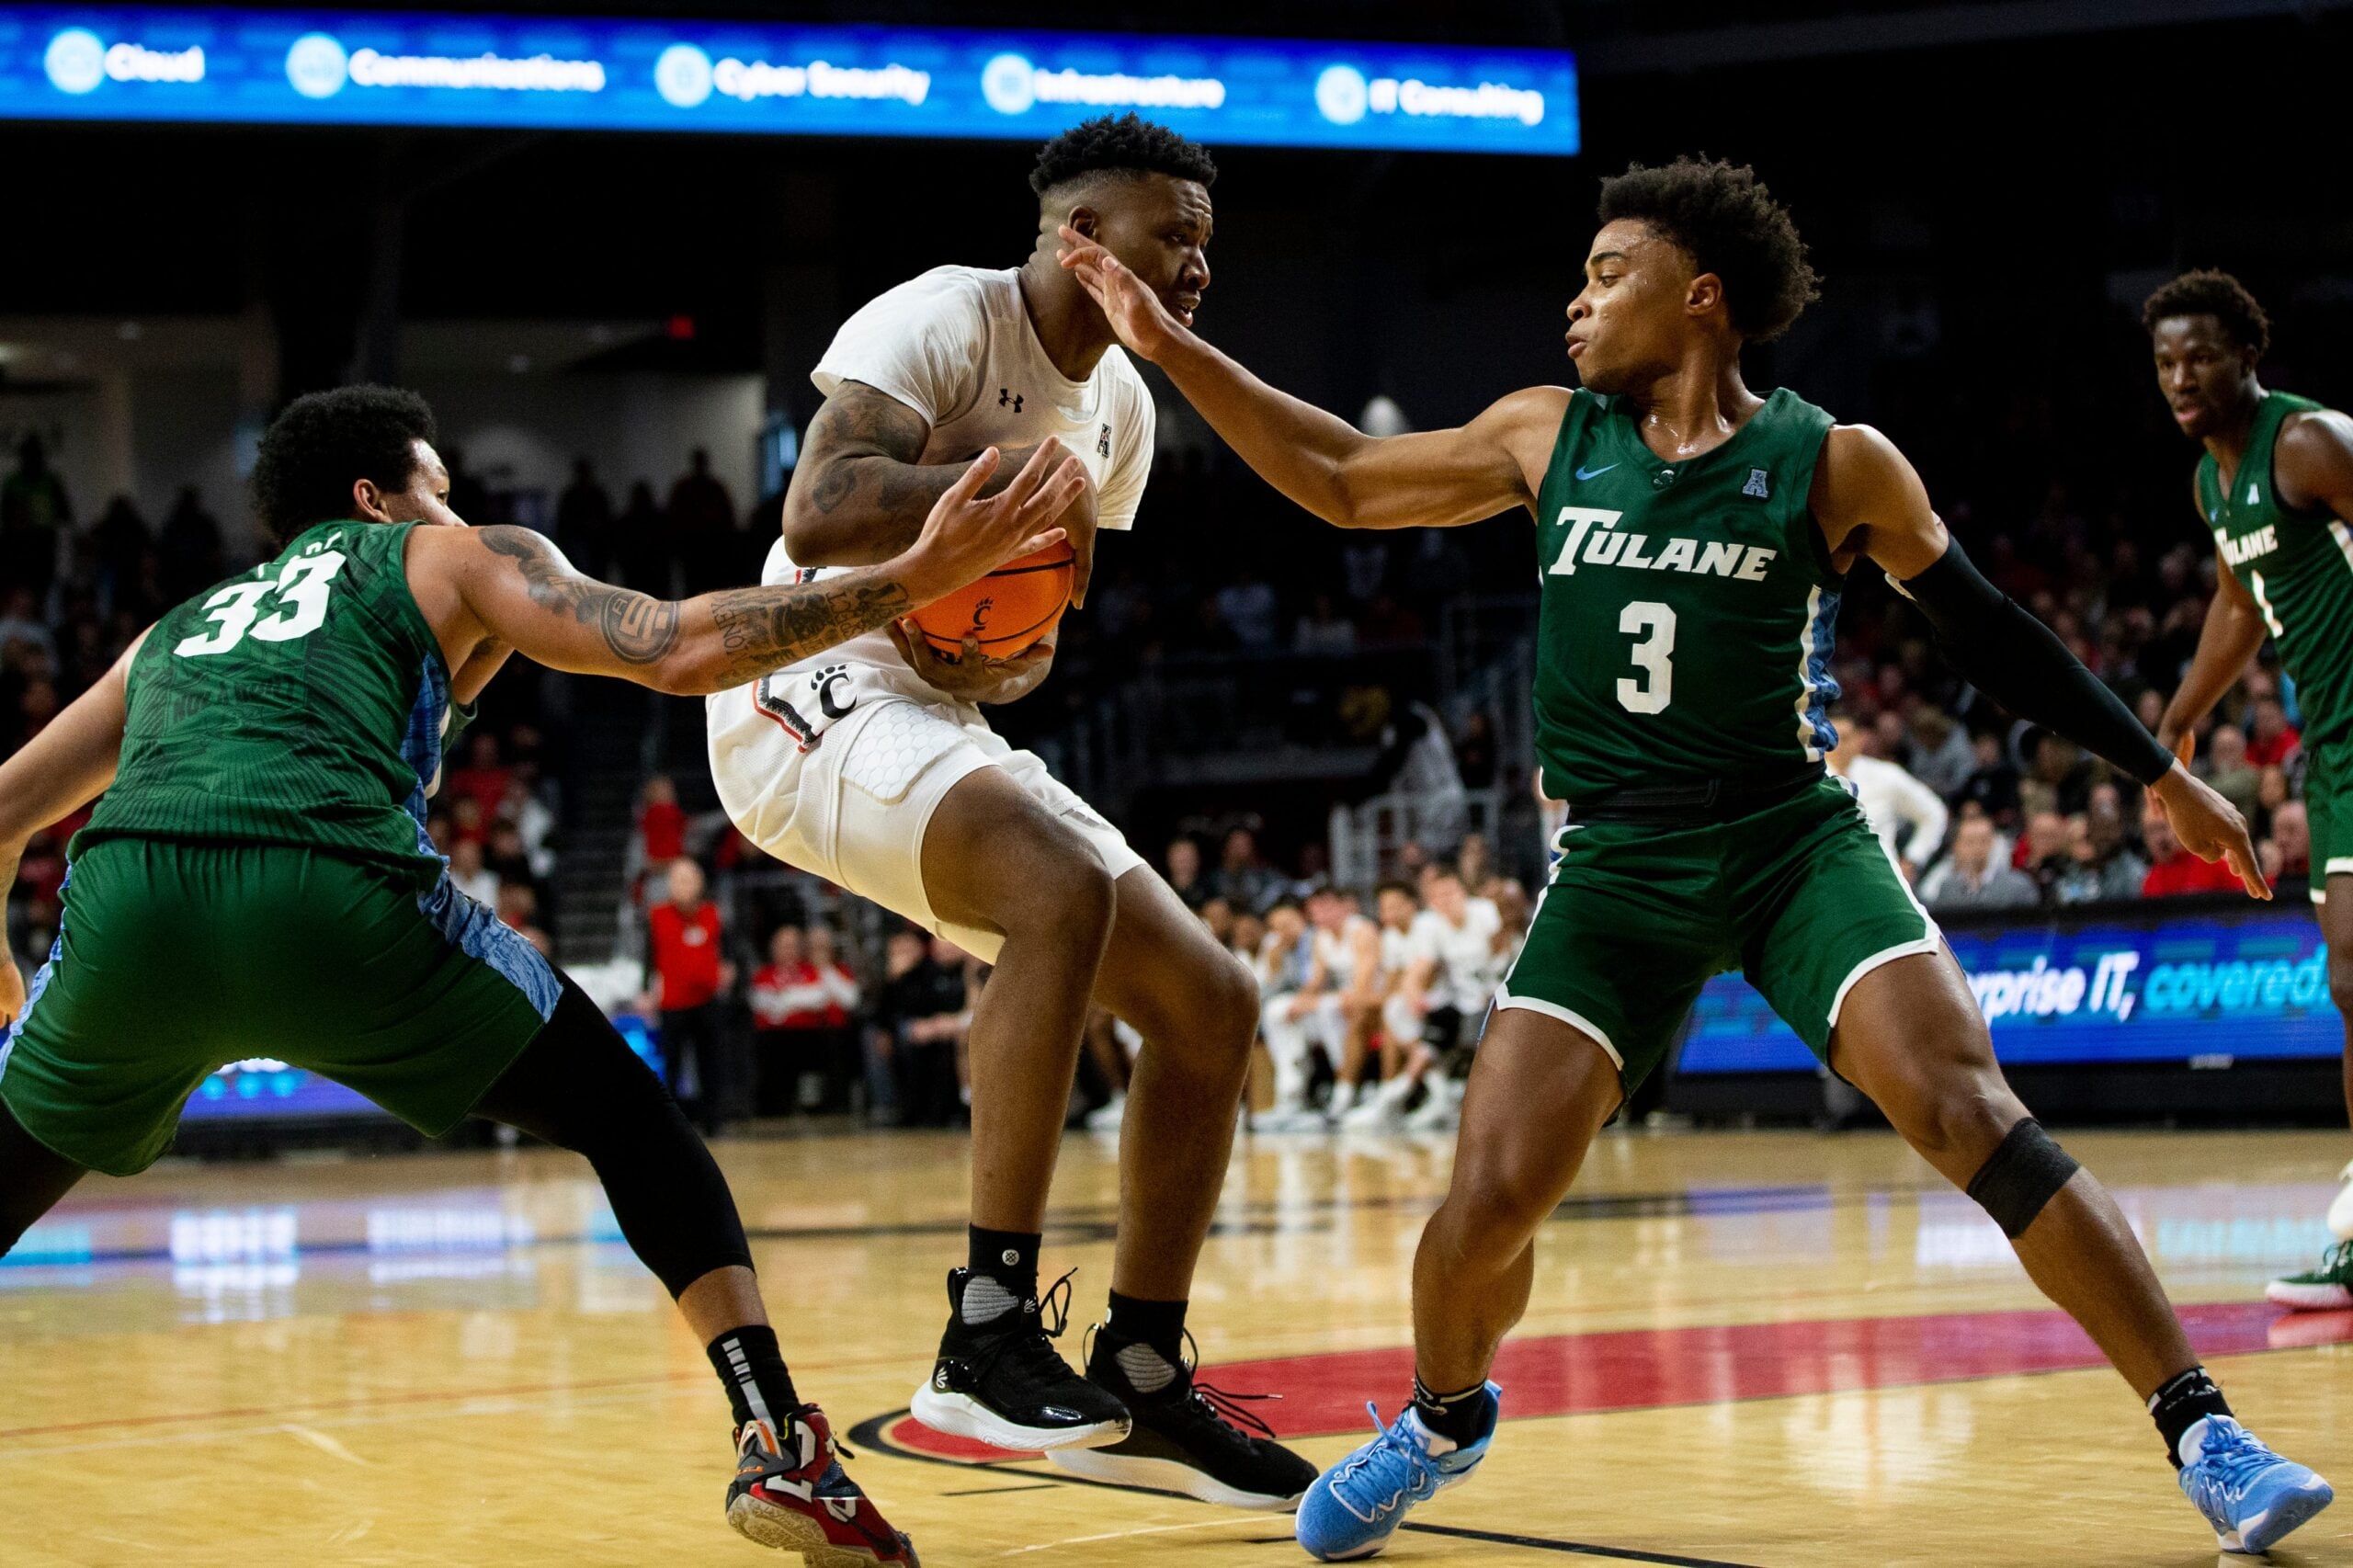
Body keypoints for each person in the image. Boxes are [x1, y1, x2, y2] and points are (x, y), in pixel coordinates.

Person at [1063, 156, 2328, 1557]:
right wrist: (1168, 346)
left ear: (1701, 296)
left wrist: (2162, 769)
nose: (1574, 303)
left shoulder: (1833, 457)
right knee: (1483, 1201)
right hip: (1616, 868)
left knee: (1972, 1109)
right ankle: (1440, 1414)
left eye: (1607, 275)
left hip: (1793, 842)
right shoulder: (1548, 438)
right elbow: (1347, 479)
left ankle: (2203, 1426)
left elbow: (1992, 635)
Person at [0, 383, 1081, 1564]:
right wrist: (916, 575)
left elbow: (3, 814)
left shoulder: (180, 629)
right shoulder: (451, 555)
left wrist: (12, 991)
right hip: (326, 882)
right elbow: (672, 648)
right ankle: (782, 1444)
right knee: (630, 1118)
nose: (454, 505)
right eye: (437, 485)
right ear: (376, 498)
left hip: (128, 912)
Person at [702, 114, 1312, 1508]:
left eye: (1207, 246)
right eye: (1174, 237)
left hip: (929, 698)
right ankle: (982, 1332)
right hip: (797, 665)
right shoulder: (943, 315)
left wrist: (999, 649)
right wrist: (996, 507)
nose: (1197, 266)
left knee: (1212, 998)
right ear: (1078, 236)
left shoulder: (1125, 411)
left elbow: (1031, 643)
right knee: (1060, 889)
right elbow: (827, 495)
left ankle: (1147, 1371)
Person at [2143, 270, 2353, 1291]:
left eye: (2199, 356)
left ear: (2245, 356)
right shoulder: (2212, 482)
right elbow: (2238, 600)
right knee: (2351, 983)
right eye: (2165, 361)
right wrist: (2181, 718)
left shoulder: (2309, 442)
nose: (2180, 376)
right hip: (2334, 750)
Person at [1351, 864, 1503, 1132]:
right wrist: (1413, 995)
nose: (1447, 900)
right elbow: (1418, 969)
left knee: (1445, 1034)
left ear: (1462, 891)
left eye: (1452, 892)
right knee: (1399, 1010)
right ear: (1432, 902)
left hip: (1496, 997)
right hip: (1460, 1005)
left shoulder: (1485, 912)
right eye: (1440, 896)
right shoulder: (1432, 926)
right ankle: (1433, 1094)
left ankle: (1399, 1096)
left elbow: (1503, 953)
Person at [1826, 714, 1949, 881]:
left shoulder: (1886, 775)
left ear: (1859, 738)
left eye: (1845, 738)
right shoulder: (1808, 782)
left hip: (1881, 879)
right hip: (1830, 880)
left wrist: (1914, 858)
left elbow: (1934, 812)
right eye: (1830, 737)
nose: (1838, 746)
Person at [1917, 812, 2039, 911]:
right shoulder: (1947, 888)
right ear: (1955, 847)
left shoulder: (2019, 885)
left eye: (1984, 841)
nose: (1977, 848)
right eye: (1970, 842)